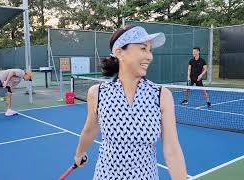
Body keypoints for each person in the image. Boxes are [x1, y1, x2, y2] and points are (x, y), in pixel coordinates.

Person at [73, 25, 187, 180]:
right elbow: (90, 129)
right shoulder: (97, 93)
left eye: (150, 50)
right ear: (120, 52)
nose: (149, 56)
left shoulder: (162, 95)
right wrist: (79, 153)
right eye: (143, 49)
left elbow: (172, 150)